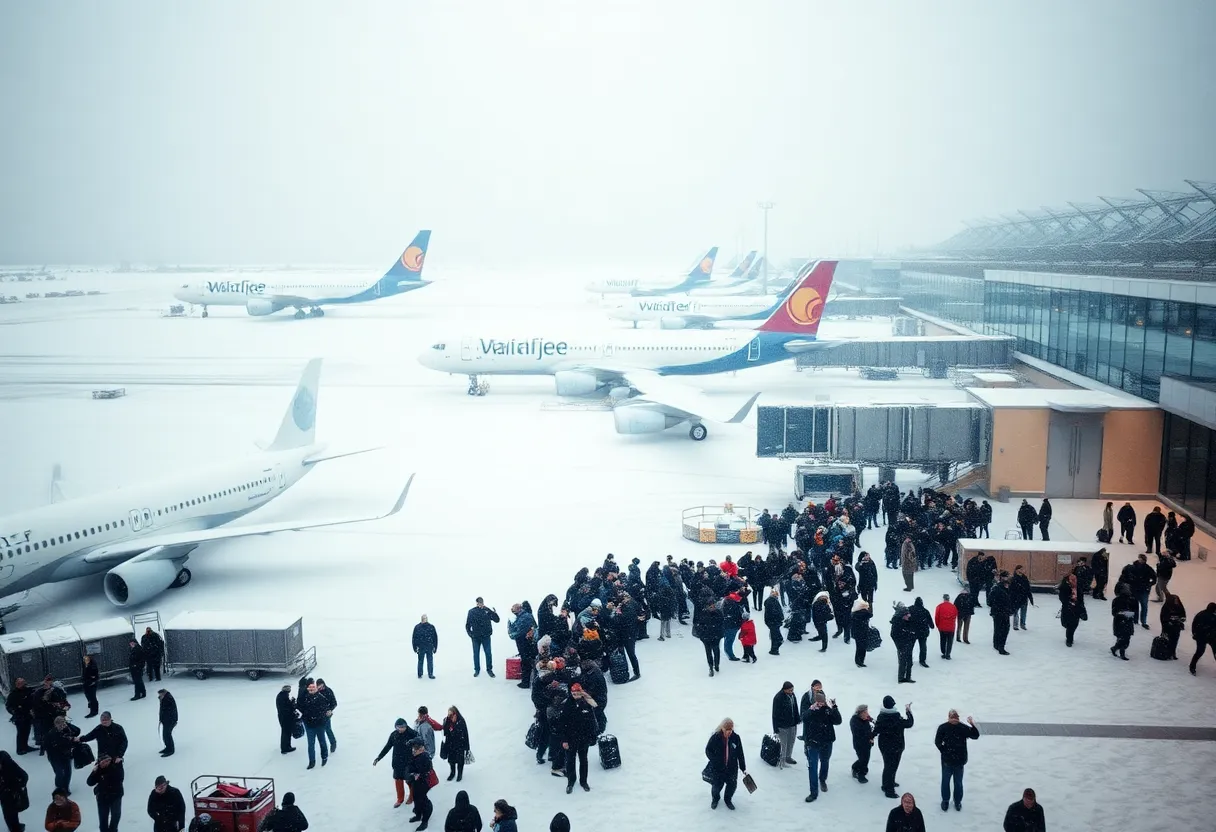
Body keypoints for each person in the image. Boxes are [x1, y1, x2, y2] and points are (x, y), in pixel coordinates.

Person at [934, 709, 979, 811]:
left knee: (953, 782)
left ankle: (952, 801)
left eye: (955, 718)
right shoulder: (947, 727)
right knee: (952, 782)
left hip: (955, 761)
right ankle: (951, 801)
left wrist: (972, 725)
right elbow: (937, 741)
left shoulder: (959, 727)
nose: (954, 719)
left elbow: (975, 735)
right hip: (952, 761)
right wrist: (944, 751)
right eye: (953, 717)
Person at [800, 690, 841, 802]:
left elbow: (838, 721)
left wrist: (835, 708)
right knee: (812, 767)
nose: (820, 704)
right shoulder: (811, 711)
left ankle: (822, 779)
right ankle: (813, 792)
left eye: (822, 702)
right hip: (813, 743)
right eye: (818, 702)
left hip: (826, 742)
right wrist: (810, 709)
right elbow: (803, 718)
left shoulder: (828, 711)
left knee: (825, 761)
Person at [557, 684, 598, 794]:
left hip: (584, 738)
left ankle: (583, 781)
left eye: (577, 693)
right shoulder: (566, 705)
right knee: (570, 761)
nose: (575, 696)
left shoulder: (587, 703)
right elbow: (562, 724)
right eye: (573, 694)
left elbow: (591, 721)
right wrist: (564, 740)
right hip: (571, 738)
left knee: (583, 760)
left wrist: (593, 736)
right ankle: (571, 781)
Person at [872, 696, 913, 799]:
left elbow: (876, 729)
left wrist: (871, 737)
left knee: (888, 766)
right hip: (896, 746)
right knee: (892, 767)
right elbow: (909, 723)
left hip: (884, 746)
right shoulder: (897, 717)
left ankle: (887, 784)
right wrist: (908, 711)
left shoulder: (881, 717)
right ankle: (889, 790)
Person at [373, 718, 419, 808]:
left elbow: (420, 743)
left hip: (408, 762)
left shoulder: (412, 734)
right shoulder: (394, 735)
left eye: (403, 727)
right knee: (398, 780)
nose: (401, 729)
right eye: (399, 727)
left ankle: (412, 796)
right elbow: (387, 747)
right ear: (396, 727)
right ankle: (400, 798)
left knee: (409, 780)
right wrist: (379, 757)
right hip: (397, 762)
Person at [704, 718, 747, 811]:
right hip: (718, 769)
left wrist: (743, 768)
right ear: (722, 728)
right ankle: (715, 799)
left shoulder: (736, 738)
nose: (729, 732)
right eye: (727, 730)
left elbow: (740, 753)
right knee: (716, 786)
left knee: (732, 786)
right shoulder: (715, 738)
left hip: (732, 769)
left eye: (730, 730)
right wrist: (715, 760)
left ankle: (728, 799)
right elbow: (708, 750)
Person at [86, 753, 124, 832]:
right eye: (102, 762)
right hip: (102, 796)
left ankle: (113, 830)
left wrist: (103, 777)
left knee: (115, 816)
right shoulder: (98, 770)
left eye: (107, 761)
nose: (105, 763)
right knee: (103, 818)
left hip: (115, 795)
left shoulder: (116, 766)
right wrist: (94, 772)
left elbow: (119, 778)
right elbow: (90, 782)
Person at [296, 681, 330, 769]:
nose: (311, 691)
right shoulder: (306, 698)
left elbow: (325, 711)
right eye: (309, 690)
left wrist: (322, 721)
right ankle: (312, 761)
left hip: (319, 725)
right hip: (310, 726)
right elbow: (302, 711)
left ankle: (324, 757)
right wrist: (305, 720)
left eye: (312, 690)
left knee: (322, 742)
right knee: (311, 744)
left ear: (315, 690)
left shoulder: (321, 698)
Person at [465, 597, 500, 678]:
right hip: (476, 637)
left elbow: (497, 620)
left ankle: (489, 669)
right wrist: (470, 634)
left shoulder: (487, 610)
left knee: (488, 653)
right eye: (479, 603)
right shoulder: (471, 611)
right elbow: (467, 625)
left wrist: (493, 612)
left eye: (482, 602)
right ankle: (477, 670)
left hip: (486, 636)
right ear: (476, 603)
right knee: (476, 653)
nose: (480, 604)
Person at [44, 716, 79, 794]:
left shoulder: (67, 730)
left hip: (66, 755)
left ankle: (65, 788)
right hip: (54, 757)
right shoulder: (51, 733)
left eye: (63, 723)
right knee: (59, 773)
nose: (62, 725)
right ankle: (59, 787)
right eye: (59, 724)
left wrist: (69, 725)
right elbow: (48, 744)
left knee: (67, 772)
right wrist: (70, 740)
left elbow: (77, 731)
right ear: (55, 724)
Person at [406, 741, 435, 829]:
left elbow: (426, 771)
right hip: (416, 782)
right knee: (416, 798)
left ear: (422, 749)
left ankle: (425, 820)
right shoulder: (414, 756)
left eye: (416, 750)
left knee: (423, 800)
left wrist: (416, 774)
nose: (414, 752)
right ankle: (418, 815)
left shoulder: (425, 757)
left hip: (424, 783)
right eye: (413, 750)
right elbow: (410, 767)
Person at [693, 596, 724, 677]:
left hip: (715, 636)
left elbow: (722, 624)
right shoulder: (703, 614)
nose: (712, 608)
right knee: (709, 652)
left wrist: (720, 633)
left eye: (713, 606)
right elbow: (698, 625)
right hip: (707, 637)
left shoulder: (718, 613)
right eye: (710, 606)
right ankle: (711, 666)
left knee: (716, 651)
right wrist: (702, 634)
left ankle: (716, 664)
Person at [771, 682, 800, 768]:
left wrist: (797, 719)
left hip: (792, 724)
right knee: (783, 744)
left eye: (792, 690)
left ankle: (788, 757)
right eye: (790, 690)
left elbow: (795, 707)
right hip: (782, 726)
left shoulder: (792, 695)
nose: (792, 691)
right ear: (784, 689)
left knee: (791, 741)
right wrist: (775, 728)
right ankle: (781, 761)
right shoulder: (778, 698)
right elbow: (774, 714)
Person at [4, 678, 33, 756]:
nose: (21, 684)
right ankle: (20, 749)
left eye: (23, 682)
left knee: (27, 732)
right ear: (16, 684)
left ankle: (25, 746)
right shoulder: (13, 694)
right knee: (21, 733)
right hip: (19, 717)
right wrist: (15, 712)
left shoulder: (28, 690)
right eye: (19, 683)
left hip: (28, 716)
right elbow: (8, 706)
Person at [0, 751, 28, 832]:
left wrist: (18, 789)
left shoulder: (8, 765)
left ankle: (15, 828)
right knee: (9, 812)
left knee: (10, 811)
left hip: (9, 792)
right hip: (7, 791)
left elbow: (24, 776)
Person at [441, 706, 471, 782]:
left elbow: (465, 734)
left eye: (451, 715)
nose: (450, 716)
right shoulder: (447, 720)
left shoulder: (461, 721)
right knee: (451, 761)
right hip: (450, 745)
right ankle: (452, 773)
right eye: (448, 715)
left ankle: (459, 774)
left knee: (460, 761)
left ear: (455, 714)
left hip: (459, 745)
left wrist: (467, 747)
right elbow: (444, 732)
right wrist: (447, 721)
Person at [890, 603, 917, 683]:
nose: (909, 616)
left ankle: (908, 677)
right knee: (903, 661)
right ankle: (901, 678)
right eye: (907, 615)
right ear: (903, 615)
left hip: (908, 644)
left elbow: (912, 631)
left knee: (909, 661)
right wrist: (900, 644)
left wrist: (912, 637)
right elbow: (894, 635)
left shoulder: (908, 621)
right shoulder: (897, 623)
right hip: (902, 645)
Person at [1110, 584, 1138, 660]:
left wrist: (1133, 617)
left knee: (1126, 638)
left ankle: (1115, 648)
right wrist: (1123, 614)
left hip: (1127, 621)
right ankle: (1121, 652)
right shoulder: (1118, 600)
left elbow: (1135, 610)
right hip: (1120, 621)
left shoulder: (1132, 600)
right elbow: (1114, 612)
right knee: (1123, 638)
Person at [850, 704, 875, 784]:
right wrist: (870, 736)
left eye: (867, 711)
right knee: (863, 759)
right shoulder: (854, 720)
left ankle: (855, 767)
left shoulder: (866, 718)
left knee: (865, 759)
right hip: (859, 744)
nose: (867, 713)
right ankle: (861, 775)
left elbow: (874, 723)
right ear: (860, 713)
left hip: (867, 743)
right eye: (865, 712)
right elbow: (860, 733)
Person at [1188, 602, 1216, 676]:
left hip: (1203, 637)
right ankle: (1192, 667)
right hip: (1207, 637)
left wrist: (1195, 634)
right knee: (1202, 652)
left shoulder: (1200, 614)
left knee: (1199, 652)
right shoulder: (1210, 616)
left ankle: (1192, 667)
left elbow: (1194, 625)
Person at [989, 572, 1013, 655]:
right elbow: (990, 601)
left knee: (998, 628)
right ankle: (1001, 647)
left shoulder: (1005, 588)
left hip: (1001, 612)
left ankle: (996, 644)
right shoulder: (998, 589)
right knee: (1003, 629)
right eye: (1007, 577)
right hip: (1000, 612)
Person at [1058, 573, 1085, 647]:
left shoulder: (1078, 587)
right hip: (1067, 608)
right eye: (1072, 579)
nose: (1074, 580)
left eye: (1075, 579)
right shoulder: (1064, 587)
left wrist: (1083, 609)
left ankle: (1069, 638)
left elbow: (1081, 599)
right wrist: (1069, 602)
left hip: (1077, 608)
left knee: (1074, 624)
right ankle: (1069, 638)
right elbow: (1062, 598)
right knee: (1068, 624)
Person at [315, 679, 338, 754]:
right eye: (319, 686)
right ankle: (330, 743)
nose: (320, 688)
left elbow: (334, 703)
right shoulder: (316, 692)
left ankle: (333, 742)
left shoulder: (328, 691)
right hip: (319, 714)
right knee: (323, 730)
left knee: (327, 729)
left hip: (327, 714)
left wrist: (330, 710)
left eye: (321, 686)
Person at [413, 615, 439, 680]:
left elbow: (435, 638)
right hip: (421, 647)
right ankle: (420, 674)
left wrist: (435, 647)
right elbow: (414, 638)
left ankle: (430, 674)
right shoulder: (417, 627)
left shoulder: (431, 627)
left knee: (430, 661)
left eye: (425, 618)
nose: (424, 619)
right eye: (423, 618)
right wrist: (415, 647)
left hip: (429, 647)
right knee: (420, 661)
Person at [1009, 565, 1034, 630]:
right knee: (1015, 612)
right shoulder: (1013, 578)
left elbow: (1028, 588)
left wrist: (1030, 598)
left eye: (1023, 569)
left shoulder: (1025, 578)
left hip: (1024, 598)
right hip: (1016, 598)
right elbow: (1011, 590)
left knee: (1024, 612)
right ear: (1017, 570)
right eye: (1021, 569)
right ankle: (1015, 625)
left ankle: (1023, 624)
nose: (1023, 570)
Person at [275, 685, 298, 754]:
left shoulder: (280, 695)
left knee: (285, 732)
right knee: (286, 732)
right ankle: (285, 748)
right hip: (285, 717)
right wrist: (292, 703)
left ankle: (286, 746)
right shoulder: (284, 696)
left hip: (282, 716)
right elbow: (287, 707)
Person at [934, 594, 957, 659]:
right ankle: (948, 654)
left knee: (943, 640)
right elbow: (955, 615)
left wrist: (938, 625)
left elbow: (936, 617)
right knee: (950, 641)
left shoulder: (939, 606)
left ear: (943, 599)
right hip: (951, 627)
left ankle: (943, 652)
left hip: (942, 627)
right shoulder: (953, 607)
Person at [851, 599, 873, 667]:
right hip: (863, 633)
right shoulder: (864, 614)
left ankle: (859, 661)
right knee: (862, 648)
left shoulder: (855, 614)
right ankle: (860, 660)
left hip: (858, 633)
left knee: (859, 647)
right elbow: (870, 615)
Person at [156, 689, 177, 757]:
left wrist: (161, 700)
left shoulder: (167, 699)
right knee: (165, 735)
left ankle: (171, 750)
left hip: (170, 720)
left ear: (163, 693)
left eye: (160, 694)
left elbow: (166, 710)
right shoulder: (165, 698)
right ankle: (167, 748)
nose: (159, 696)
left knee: (167, 735)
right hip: (166, 720)